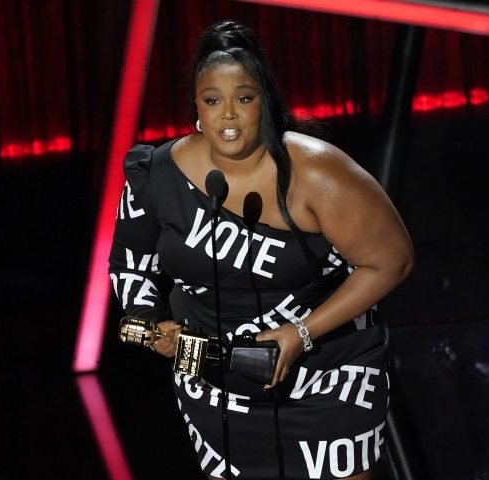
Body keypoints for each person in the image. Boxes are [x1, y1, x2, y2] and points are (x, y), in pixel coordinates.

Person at [109, 20, 414, 480]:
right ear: (196, 106)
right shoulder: (156, 175)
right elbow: (130, 269)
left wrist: (301, 334)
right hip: (215, 387)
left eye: (243, 99)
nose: (228, 116)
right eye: (213, 101)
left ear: (264, 102)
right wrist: (151, 330)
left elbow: (393, 260)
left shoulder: (316, 173)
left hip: (325, 376)